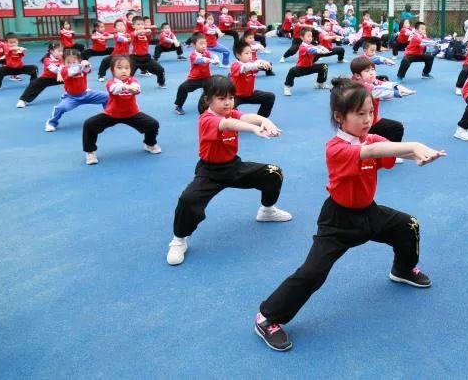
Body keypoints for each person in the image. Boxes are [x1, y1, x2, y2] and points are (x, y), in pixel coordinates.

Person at [255, 78, 446, 351]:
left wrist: (419, 155)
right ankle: (267, 318)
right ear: (339, 117)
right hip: (338, 220)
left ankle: (403, 269)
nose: (368, 119)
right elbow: (371, 152)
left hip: (369, 211)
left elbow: (385, 150)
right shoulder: (336, 148)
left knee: (408, 225)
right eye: (360, 114)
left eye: (371, 112)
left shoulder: (371, 137)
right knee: (313, 273)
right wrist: (413, 145)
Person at [167, 75, 290, 266]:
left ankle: (267, 211)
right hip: (210, 171)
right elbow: (226, 124)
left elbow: (246, 117)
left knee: (274, 172)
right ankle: (179, 240)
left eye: (231, 98)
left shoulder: (231, 112)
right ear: (208, 99)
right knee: (188, 200)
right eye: (221, 98)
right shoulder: (206, 119)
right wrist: (253, 129)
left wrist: (264, 120)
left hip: (233, 166)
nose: (228, 102)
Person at [82, 55, 160, 165]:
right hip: (112, 114)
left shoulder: (133, 80)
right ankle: (90, 151)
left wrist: (133, 89)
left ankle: (149, 144)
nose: (124, 71)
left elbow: (137, 89)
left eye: (127, 68)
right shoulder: (111, 82)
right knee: (89, 124)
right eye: (119, 68)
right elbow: (115, 90)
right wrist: (126, 87)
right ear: (113, 70)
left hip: (132, 114)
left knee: (152, 124)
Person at [351, 56, 413, 149]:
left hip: (372, 121)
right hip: (359, 125)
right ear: (357, 75)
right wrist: (398, 93)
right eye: (367, 71)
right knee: (362, 148)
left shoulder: (367, 79)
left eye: (373, 69)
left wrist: (398, 86)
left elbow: (382, 83)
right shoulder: (360, 86)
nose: (372, 73)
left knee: (397, 128)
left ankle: (391, 153)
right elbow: (377, 90)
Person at [44, 49, 108, 132]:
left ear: (78, 61)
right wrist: (81, 65)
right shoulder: (63, 70)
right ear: (63, 62)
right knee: (60, 108)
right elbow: (72, 71)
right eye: (68, 62)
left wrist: (86, 64)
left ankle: (108, 116)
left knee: (107, 97)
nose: (71, 64)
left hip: (86, 94)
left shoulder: (80, 66)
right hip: (72, 97)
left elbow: (87, 70)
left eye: (74, 62)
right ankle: (51, 123)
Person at [219, 41, 276, 118]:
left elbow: (256, 62)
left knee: (270, 97)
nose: (250, 55)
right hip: (235, 96)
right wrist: (257, 65)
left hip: (249, 94)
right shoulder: (235, 65)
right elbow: (245, 67)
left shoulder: (252, 63)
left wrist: (264, 62)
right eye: (246, 53)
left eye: (250, 53)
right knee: (228, 111)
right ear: (238, 55)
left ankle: (260, 119)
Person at [175, 33, 218, 115]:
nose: (204, 46)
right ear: (194, 45)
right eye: (201, 44)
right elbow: (199, 60)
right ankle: (178, 106)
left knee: (213, 89)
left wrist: (216, 59)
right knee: (182, 88)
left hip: (206, 78)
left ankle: (210, 106)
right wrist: (209, 60)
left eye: (205, 43)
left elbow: (213, 56)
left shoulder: (207, 53)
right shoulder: (193, 55)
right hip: (194, 79)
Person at [283, 28, 330, 96]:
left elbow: (317, 46)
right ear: (302, 37)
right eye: (308, 36)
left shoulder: (310, 45)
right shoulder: (302, 47)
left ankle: (320, 83)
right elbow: (311, 50)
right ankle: (287, 87)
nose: (310, 38)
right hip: (301, 68)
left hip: (310, 67)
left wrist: (322, 48)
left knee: (324, 66)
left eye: (311, 36)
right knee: (292, 71)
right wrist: (319, 51)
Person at [16, 42, 64, 108]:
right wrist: (64, 68)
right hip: (48, 78)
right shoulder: (47, 59)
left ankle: (76, 95)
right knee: (34, 83)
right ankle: (23, 100)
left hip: (61, 77)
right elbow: (54, 70)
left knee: (74, 78)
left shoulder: (64, 58)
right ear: (51, 51)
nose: (61, 53)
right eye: (59, 51)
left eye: (62, 51)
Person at [130, 18, 167, 88]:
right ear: (133, 26)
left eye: (142, 24)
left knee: (161, 70)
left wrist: (149, 32)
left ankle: (161, 83)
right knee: (127, 75)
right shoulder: (132, 34)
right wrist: (145, 30)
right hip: (135, 59)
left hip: (146, 58)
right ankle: (125, 87)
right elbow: (136, 33)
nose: (140, 26)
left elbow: (149, 36)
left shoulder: (145, 34)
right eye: (138, 24)